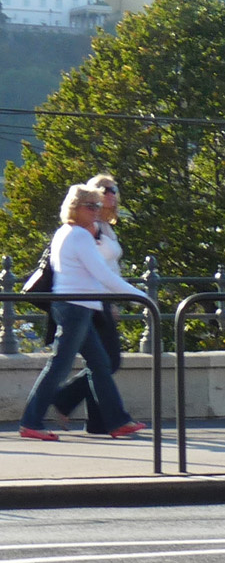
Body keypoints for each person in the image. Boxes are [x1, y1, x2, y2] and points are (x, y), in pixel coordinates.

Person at [17, 184, 149, 441]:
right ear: (75, 208)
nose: (96, 210)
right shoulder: (78, 235)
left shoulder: (65, 233)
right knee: (59, 365)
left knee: (100, 365)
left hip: (79, 307)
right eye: (91, 206)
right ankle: (30, 421)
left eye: (98, 205)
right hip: (75, 307)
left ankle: (118, 420)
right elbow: (103, 274)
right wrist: (142, 297)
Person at [52, 174, 125, 433]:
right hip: (91, 299)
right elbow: (96, 268)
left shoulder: (105, 226)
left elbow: (110, 265)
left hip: (103, 299)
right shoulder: (89, 229)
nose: (111, 193)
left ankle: (98, 421)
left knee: (101, 361)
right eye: (105, 189)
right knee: (107, 361)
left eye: (114, 188)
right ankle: (64, 399)